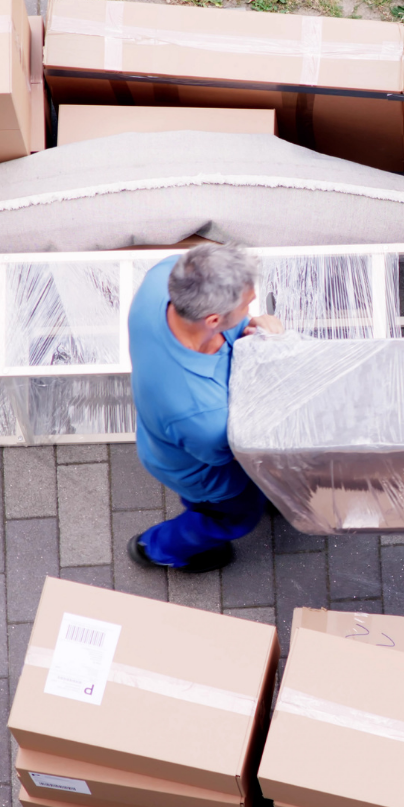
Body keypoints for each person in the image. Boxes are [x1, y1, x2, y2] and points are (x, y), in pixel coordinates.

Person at [124, 244, 283, 574]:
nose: (251, 307)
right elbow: (241, 450)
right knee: (232, 517)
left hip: (163, 434)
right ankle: (159, 548)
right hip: (205, 473)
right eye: (247, 304)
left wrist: (251, 328)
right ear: (213, 319)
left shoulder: (166, 276)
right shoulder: (203, 416)